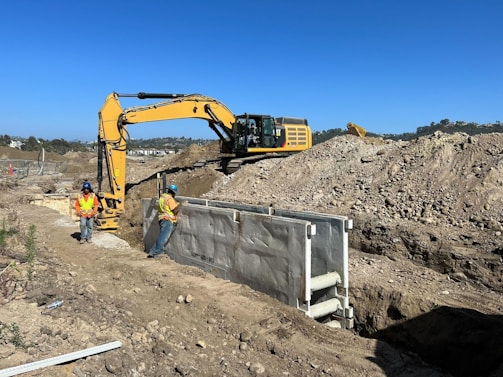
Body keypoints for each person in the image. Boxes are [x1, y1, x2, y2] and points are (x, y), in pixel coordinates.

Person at [147, 184, 182, 258]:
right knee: (163, 238)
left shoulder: (162, 197)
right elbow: (175, 210)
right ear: (173, 192)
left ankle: (152, 251)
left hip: (162, 218)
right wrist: (181, 204)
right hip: (167, 220)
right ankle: (158, 252)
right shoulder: (170, 199)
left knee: (161, 236)